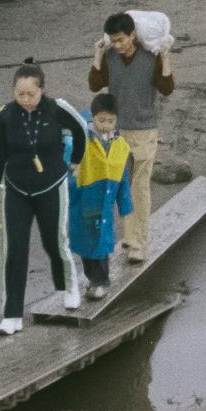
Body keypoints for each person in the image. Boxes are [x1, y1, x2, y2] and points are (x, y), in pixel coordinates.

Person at [0, 60, 87, 336]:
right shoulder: (4, 115)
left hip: (52, 184)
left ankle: (68, 286)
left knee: (55, 243)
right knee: (15, 250)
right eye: (20, 94)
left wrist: (75, 161)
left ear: (42, 91)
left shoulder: (57, 108)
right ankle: (12, 314)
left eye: (30, 94)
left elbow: (80, 129)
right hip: (16, 188)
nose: (25, 99)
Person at [88, 12, 175, 265]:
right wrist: (98, 54)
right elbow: (95, 85)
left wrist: (166, 58)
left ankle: (138, 244)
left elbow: (167, 88)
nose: (117, 45)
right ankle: (128, 237)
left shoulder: (151, 57)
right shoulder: (111, 57)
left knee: (139, 187)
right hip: (115, 132)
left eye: (121, 40)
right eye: (113, 41)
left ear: (133, 35)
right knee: (119, 186)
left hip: (144, 131)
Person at [71, 92, 135, 299]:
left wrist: (125, 205)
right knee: (84, 245)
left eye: (110, 121)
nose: (105, 125)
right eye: (101, 120)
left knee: (101, 245)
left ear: (117, 120)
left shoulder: (121, 147)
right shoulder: (81, 141)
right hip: (84, 200)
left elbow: (123, 178)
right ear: (92, 117)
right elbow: (68, 170)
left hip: (105, 204)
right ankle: (93, 279)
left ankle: (101, 282)